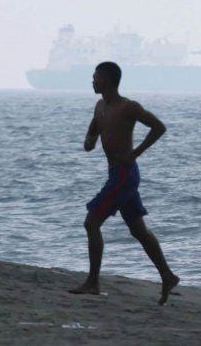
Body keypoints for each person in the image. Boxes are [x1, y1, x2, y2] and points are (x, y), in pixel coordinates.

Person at [69, 61, 179, 305]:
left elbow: (159, 127)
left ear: (107, 80)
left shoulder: (128, 106)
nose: (92, 81)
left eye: (95, 77)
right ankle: (168, 276)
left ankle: (93, 283)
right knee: (138, 230)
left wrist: (136, 153)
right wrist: (89, 141)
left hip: (124, 175)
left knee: (91, 222)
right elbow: (93, 131)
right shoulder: (100, 106)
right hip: (115, 174)